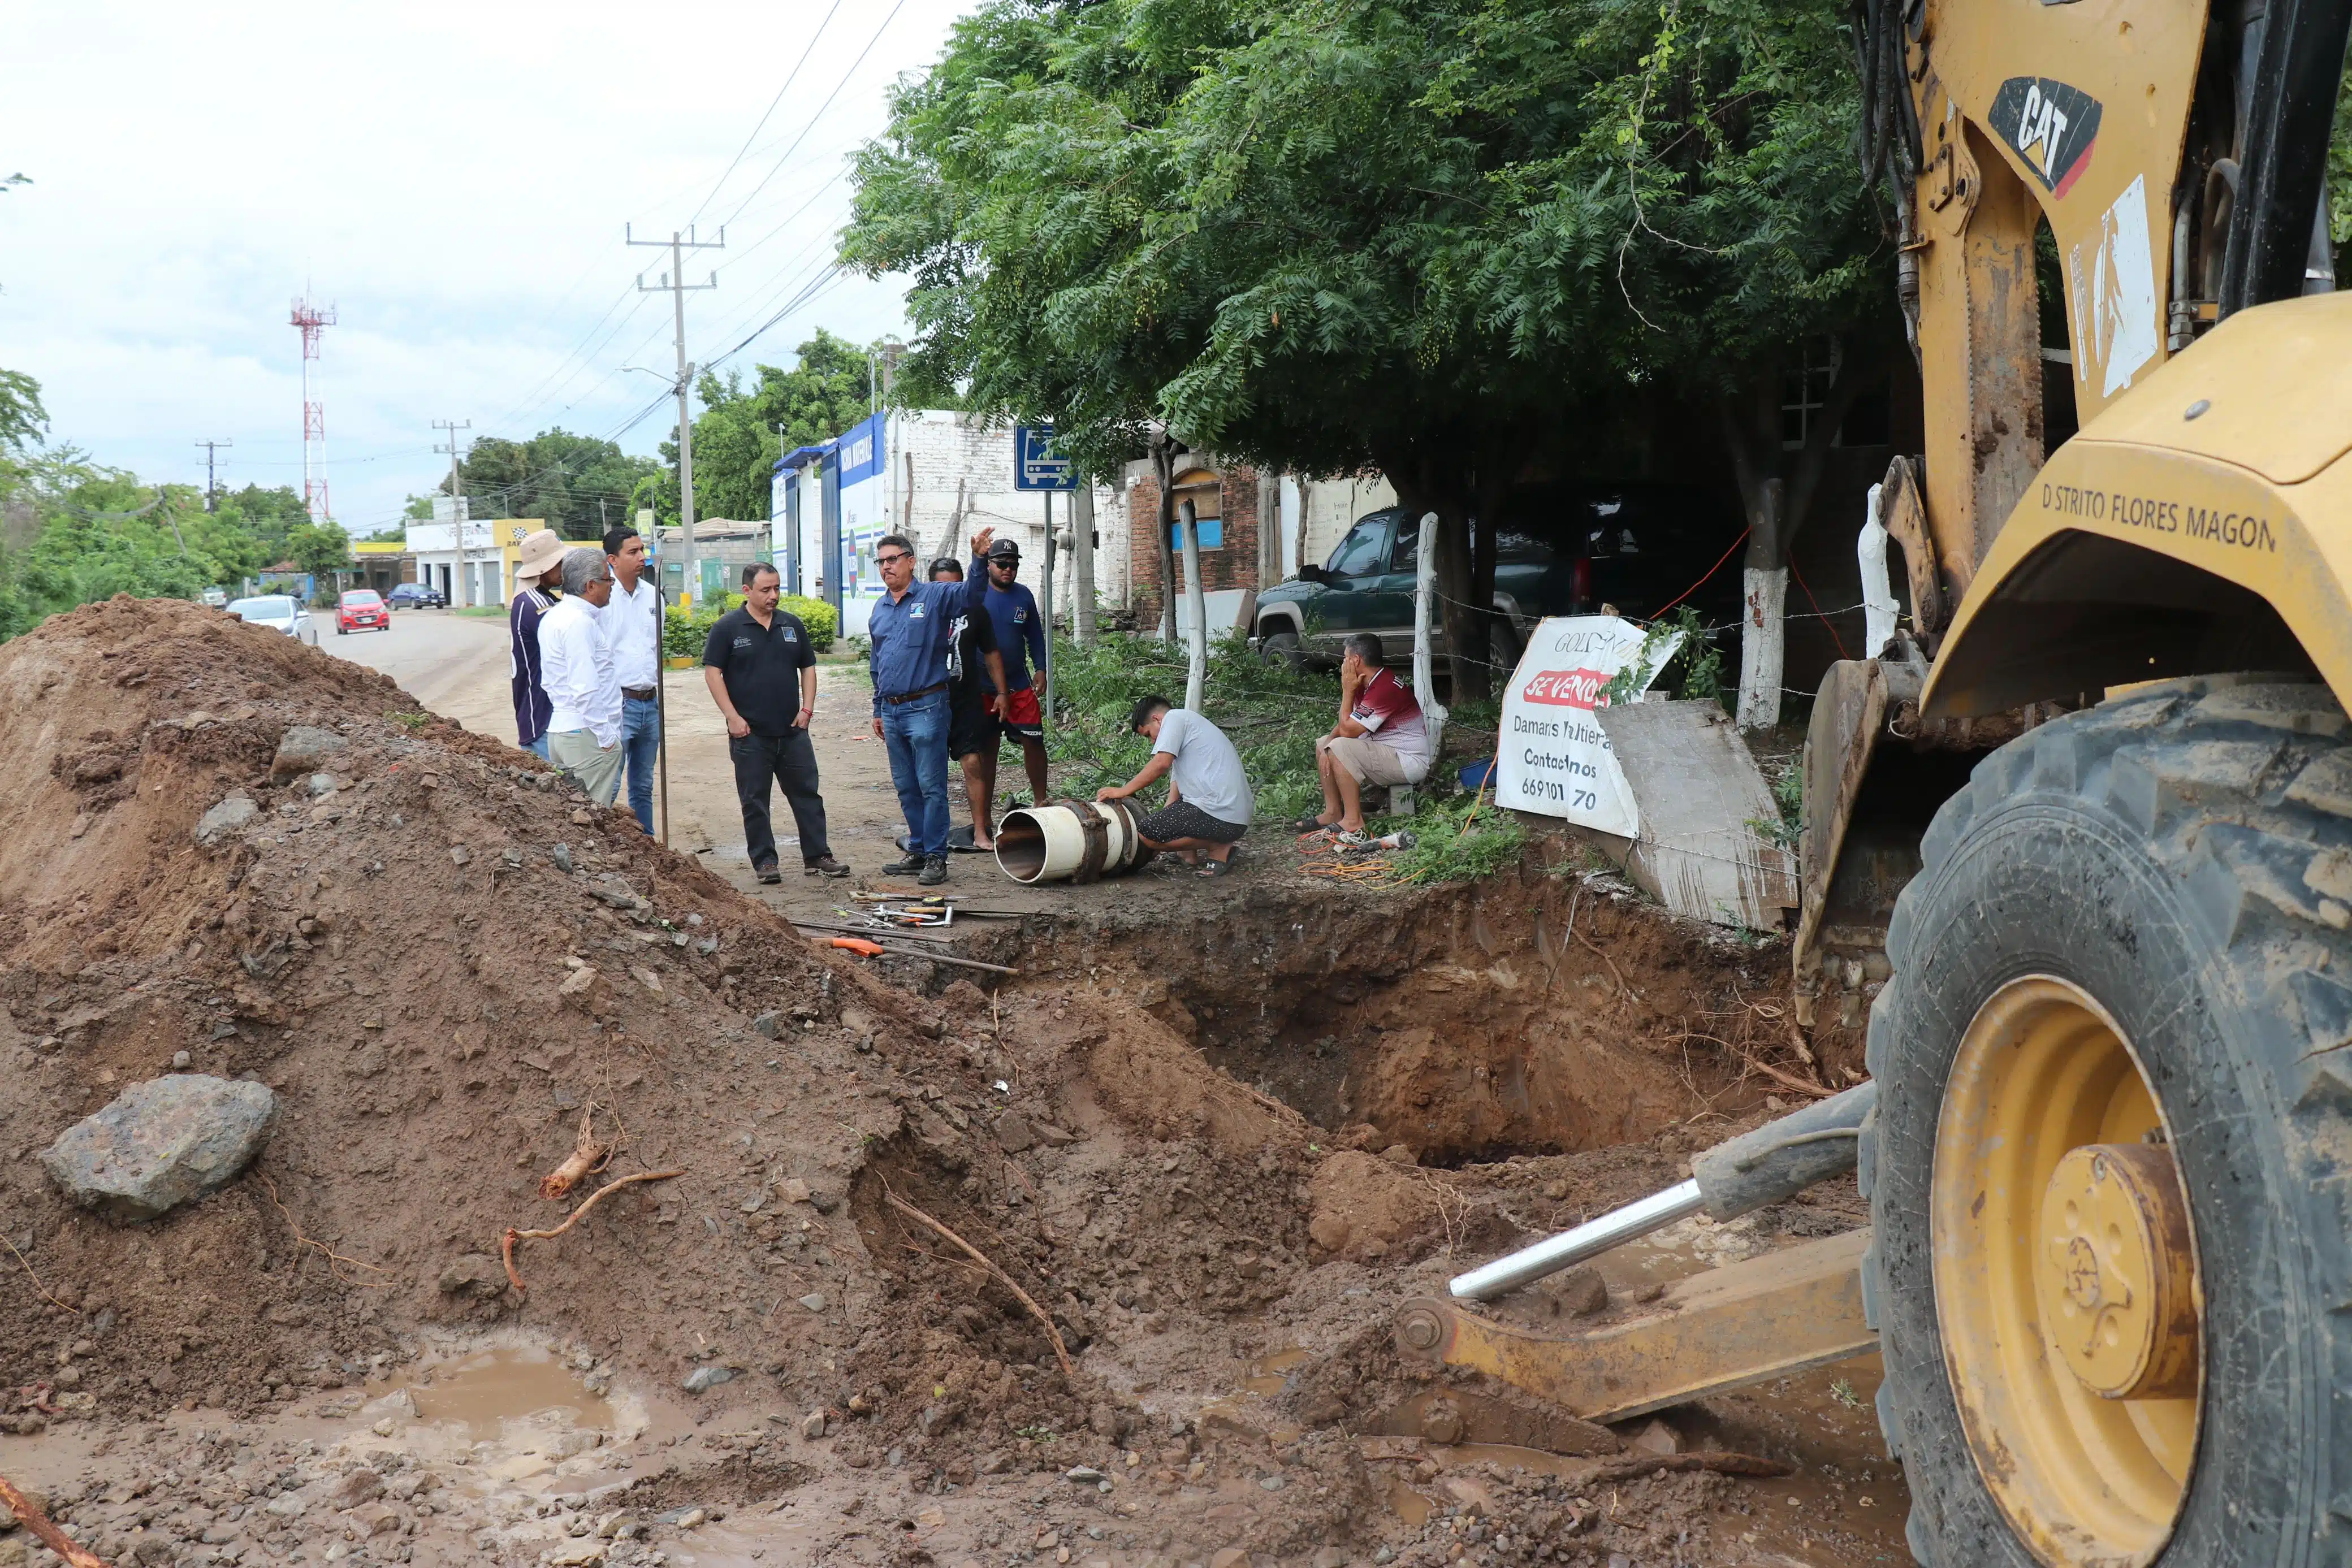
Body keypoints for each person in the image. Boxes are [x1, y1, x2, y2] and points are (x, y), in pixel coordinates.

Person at [703, 563, 849, 883]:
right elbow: (713, 672)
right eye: (766, 590)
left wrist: (807, 710)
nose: (774, 596)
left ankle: (818, 856)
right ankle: (765, 862)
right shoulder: (728, 628)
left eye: (777, 589)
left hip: (793, 732)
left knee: (807, 795)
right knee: (755, 801)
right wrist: (732, 717)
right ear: (747, 591)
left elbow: (808, 668)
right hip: (750, 734)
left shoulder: (791, 625)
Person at [867, 527, 995, 886]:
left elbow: (972, 596)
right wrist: (878, 708)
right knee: (906, 786)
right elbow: (877, 663)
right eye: (881, 561)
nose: (886, 567)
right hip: (892, 711)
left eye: (893, 560)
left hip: (926, 707)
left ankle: (938, 856)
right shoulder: (880, 608)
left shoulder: (935, 596)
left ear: (911, 562)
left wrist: (979, 560)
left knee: (931, 785)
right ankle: (920, 850)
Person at [1096, 694, 1253, 876]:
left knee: (1147, 831)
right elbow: (1175, 795)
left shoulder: (1174, 718)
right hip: (1230, 813)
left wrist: (1123, 791)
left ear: (1157, 719)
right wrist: (1163, 830)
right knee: (1159, 826)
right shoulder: (1188, 733)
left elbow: (1161, 764)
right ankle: (1187, 855)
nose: (1153, 741)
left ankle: (1219, 846)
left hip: (1223, 813)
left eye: (1149, 734)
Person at [1300, 633, 1433, 842]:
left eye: (1345, 658)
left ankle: (1353, 820)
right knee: (1324, 744)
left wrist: (1347, 691)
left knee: (1339, 746)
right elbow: (1348, 724)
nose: (1343, 663)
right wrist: (1325, 746)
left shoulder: (1384, 688)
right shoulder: (1367, 683)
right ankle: (1333, 811)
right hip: (1385, 750)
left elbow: (1348, 732)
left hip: (1408, 761)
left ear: (1356, 660)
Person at [931, 558, 1013, 849]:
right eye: (944, 586)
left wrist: (1003, 693)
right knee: (930, 772)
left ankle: (980, 832)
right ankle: (929, 837)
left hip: (965, 700)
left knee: (973, 763)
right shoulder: (922, 611)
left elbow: (992, 654)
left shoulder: (975, 611)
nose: (951, 592)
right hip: (929, 702)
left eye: (957, 585)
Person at [538, 548, 624, 804]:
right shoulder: (579, 623)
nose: (611, 586)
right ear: (591, 585)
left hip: (565, 731)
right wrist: (607, 738)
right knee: (592, 819)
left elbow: (551, 682)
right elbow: (584, 688)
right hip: (586, 734)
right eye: (608, 580)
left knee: (575, 815)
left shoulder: (555, 616)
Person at [972, 536, 1053, 808]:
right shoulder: (976, 594)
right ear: (989, 565)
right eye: (1001, 564)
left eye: (1013, 565)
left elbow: (1035, 637)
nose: (1008, 569)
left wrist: (1041, 668)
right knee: (988, 751)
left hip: (1019, 685)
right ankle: (983, 815)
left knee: (1034, 742)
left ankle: (1040, 802)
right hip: (983, 689)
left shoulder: (1024, 595)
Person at [601, 524, 663, 834]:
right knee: (609, 783)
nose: (643, 557)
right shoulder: (600, 597)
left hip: (650, 703)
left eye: (643, 550)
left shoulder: (653, 596)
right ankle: (602, 851)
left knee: (643, 785)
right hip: (617, 703)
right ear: (612, 560)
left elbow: (655, 647)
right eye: (634, 552)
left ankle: (648, 849)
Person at [508, 528, 568, 760]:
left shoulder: (543, 599)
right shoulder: (535, 603)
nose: (564, 568)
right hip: (542, 717)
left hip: (547, 716)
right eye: (559, 563)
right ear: (544, 568)